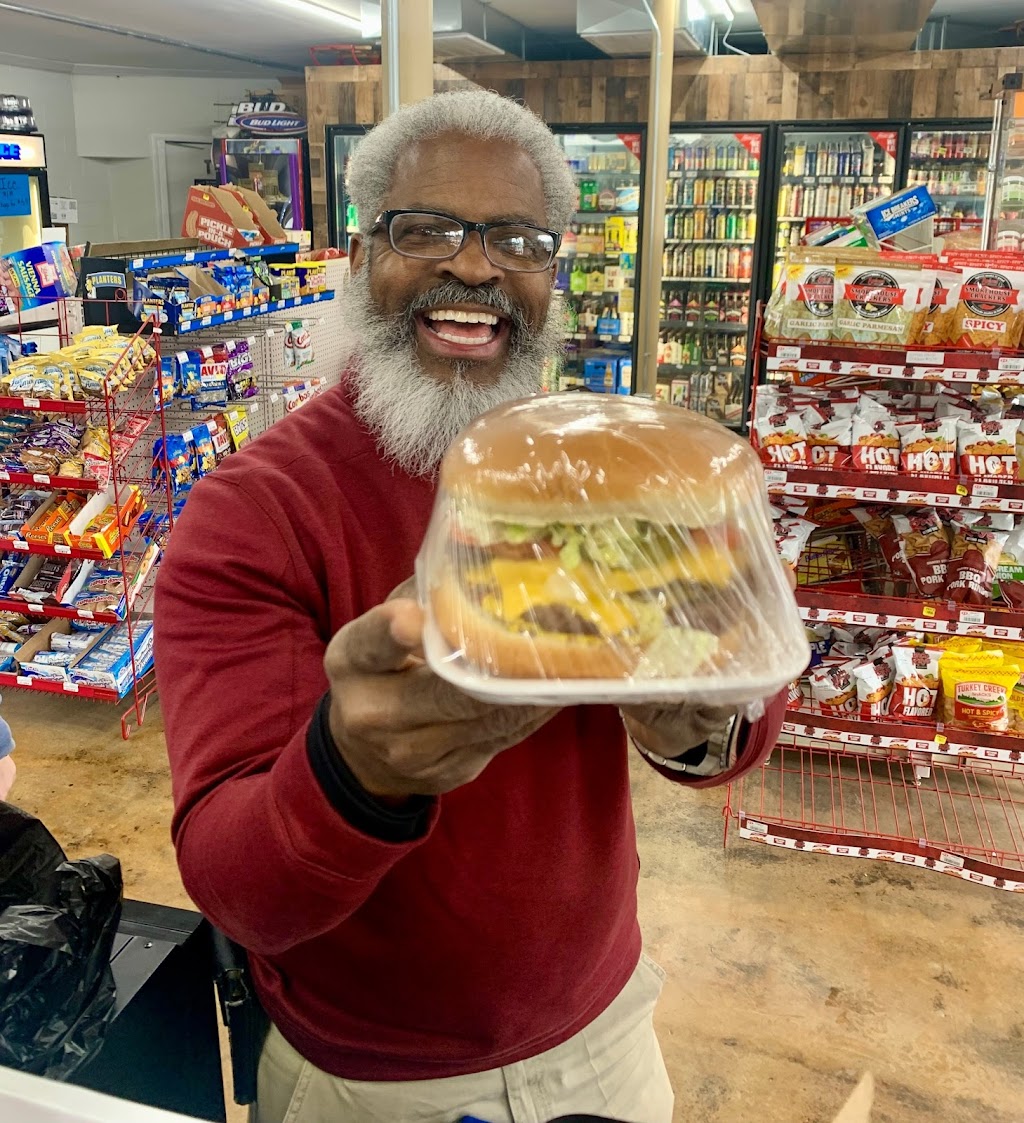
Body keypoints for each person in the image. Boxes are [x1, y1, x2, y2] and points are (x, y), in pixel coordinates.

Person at [155, 90, 786, 1123]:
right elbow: (236, 886)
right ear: (362, 257)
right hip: (363, 1082)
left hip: (607, 1031)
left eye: (517, 239)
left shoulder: (611, 468)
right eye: (427, 229)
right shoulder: (254, 512)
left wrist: (705, 716)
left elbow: (748, 688)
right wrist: (353, 771)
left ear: (551, 272)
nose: (475, 266)